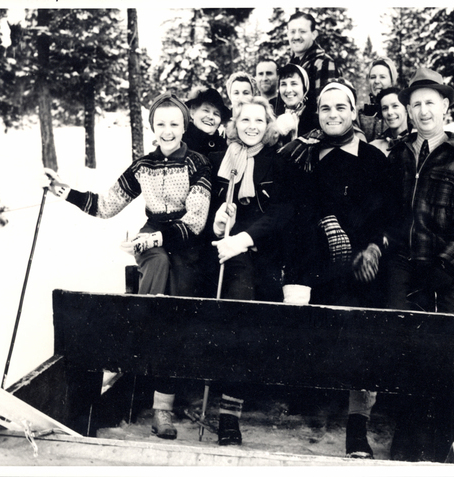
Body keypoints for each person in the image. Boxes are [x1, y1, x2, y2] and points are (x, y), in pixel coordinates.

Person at [44, 93, 212, 442]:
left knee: (179, 300)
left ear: (185, 126)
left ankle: (161, 399)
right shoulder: (142, 166)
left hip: (185, 241)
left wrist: (156, 239)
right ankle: (146, 332)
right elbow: (106, 205)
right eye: (161, 124)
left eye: (174, 124)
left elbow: (195, 221)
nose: (168, 131)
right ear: (153, 127)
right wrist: (64, 191)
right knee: (159, 275)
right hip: (153, 242)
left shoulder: (198, 163)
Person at [277, 78, 397, 459]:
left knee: (364, 322)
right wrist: (326, 223)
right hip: (317, 260)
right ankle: (305, 393)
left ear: (352, 111)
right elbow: (295, 206)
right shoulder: (305, 155)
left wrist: (375, 247)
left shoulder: (374, 158)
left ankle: (357, 423)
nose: (333, 114)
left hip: (361, 262)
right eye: (326, 108)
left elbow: (390, 211)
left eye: (341, 107)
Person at [385, 67, 454, 461]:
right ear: (408, 111)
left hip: (445, 273)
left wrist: (446, 266)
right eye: (416, 104)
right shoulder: (398, 156)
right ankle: (407, 431)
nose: (423, 111)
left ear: (445, 106)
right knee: (403, 344)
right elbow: (389, 214)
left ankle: (440, 435)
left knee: (441, 350)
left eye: (431, 102)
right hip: (404, 268)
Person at [207, 97, 283, 445]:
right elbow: (209, 209)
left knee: (262, 318)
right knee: (237, 309)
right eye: (244, 119)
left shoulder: (277, 161)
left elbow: (282, 213)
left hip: (265, 252)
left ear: (268, 125)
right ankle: (228, 415)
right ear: (234, 124)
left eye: (259, 120)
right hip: (230, 253)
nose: (251, 126)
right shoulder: (225, 161)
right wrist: (218, 221)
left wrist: (246, 235)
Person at [286, 11, 339, 110]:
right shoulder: (291, 66)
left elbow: (327, 108)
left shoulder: (323, 63)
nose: (296, 37)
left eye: (302, 31)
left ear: (314, 34)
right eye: (292, 32)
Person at [273, 63, 318, 145]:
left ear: (304, 88)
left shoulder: (315, 119)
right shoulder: (273, 114)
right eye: (283, 84)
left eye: (294, 84)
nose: (288, 90)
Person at [183, 86, 231, 158]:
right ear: (192, 112)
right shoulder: (180, 141)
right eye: (206, 110)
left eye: (216, 114)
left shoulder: (224, 146)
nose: (211, 117)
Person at [359, 57, 399, 143]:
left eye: (382, 77)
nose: (376, 81)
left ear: (392, 81)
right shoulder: (360, 115)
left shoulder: (402, 111)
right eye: (373, 77)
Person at [369, 87, 411, 157]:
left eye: (395, 106)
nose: (390, 112)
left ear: (406, 109)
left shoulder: (418, 140)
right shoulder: (374, 147)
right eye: (385, 108)